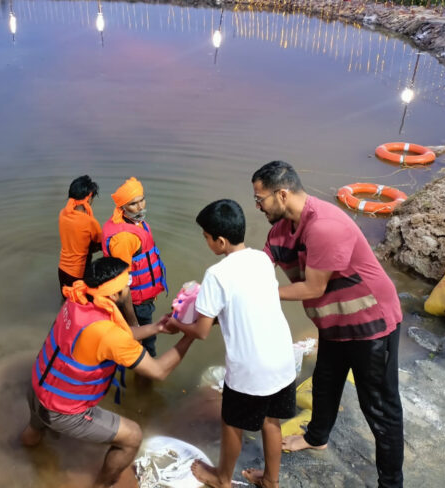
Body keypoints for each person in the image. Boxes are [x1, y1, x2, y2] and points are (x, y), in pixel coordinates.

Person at [252, 161, 404, 488]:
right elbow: (259, 267)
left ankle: (391, 483)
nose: (258, 206)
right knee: (325, 381)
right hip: (334, 324)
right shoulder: (280, 230)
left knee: (379, 408)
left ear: (282, 194)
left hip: (370, 324)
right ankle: (317, 437)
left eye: (260, 199)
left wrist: (260, 293)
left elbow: (313, 288)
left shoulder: (324, 226)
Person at [20, 257, 195, 488]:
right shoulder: (108, 334)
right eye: (127, 283)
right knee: (132, 436)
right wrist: (191, 334)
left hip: (38, 387)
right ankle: (101, 486)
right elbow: (159, 371)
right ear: (114, 295)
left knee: (34, 430)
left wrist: (157, 328)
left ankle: (21, 462)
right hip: (63, 409)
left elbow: (109, 337)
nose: (130, 286)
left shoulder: (75, 301)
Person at [167, 199, 296, 488]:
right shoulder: (262, 259)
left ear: (220, 241)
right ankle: (271, 481)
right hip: (282, 360)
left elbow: (200, 331)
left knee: (232, 424)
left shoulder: (216, 274)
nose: (206, 242)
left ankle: (222, 478)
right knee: (270, 421)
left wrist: (176, 324)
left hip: (250, 368)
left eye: (206, 237)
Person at [102, 177, 168, 356]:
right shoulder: (123, 238)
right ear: (122, 207)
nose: (140, 207)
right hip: (136, 303)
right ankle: (147, 378)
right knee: (146, 346)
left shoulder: (136, 223)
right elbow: (123, 284)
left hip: (143, 298)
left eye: (142, 200)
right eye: (133, 204)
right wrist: (132, 322)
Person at [58, 175, 102, 290]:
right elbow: (100, 244)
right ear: (89, 198)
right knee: (83, 305)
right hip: (78, 274)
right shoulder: (90, 222)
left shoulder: (62, 214)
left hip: (62, 271)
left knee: (67, 304)